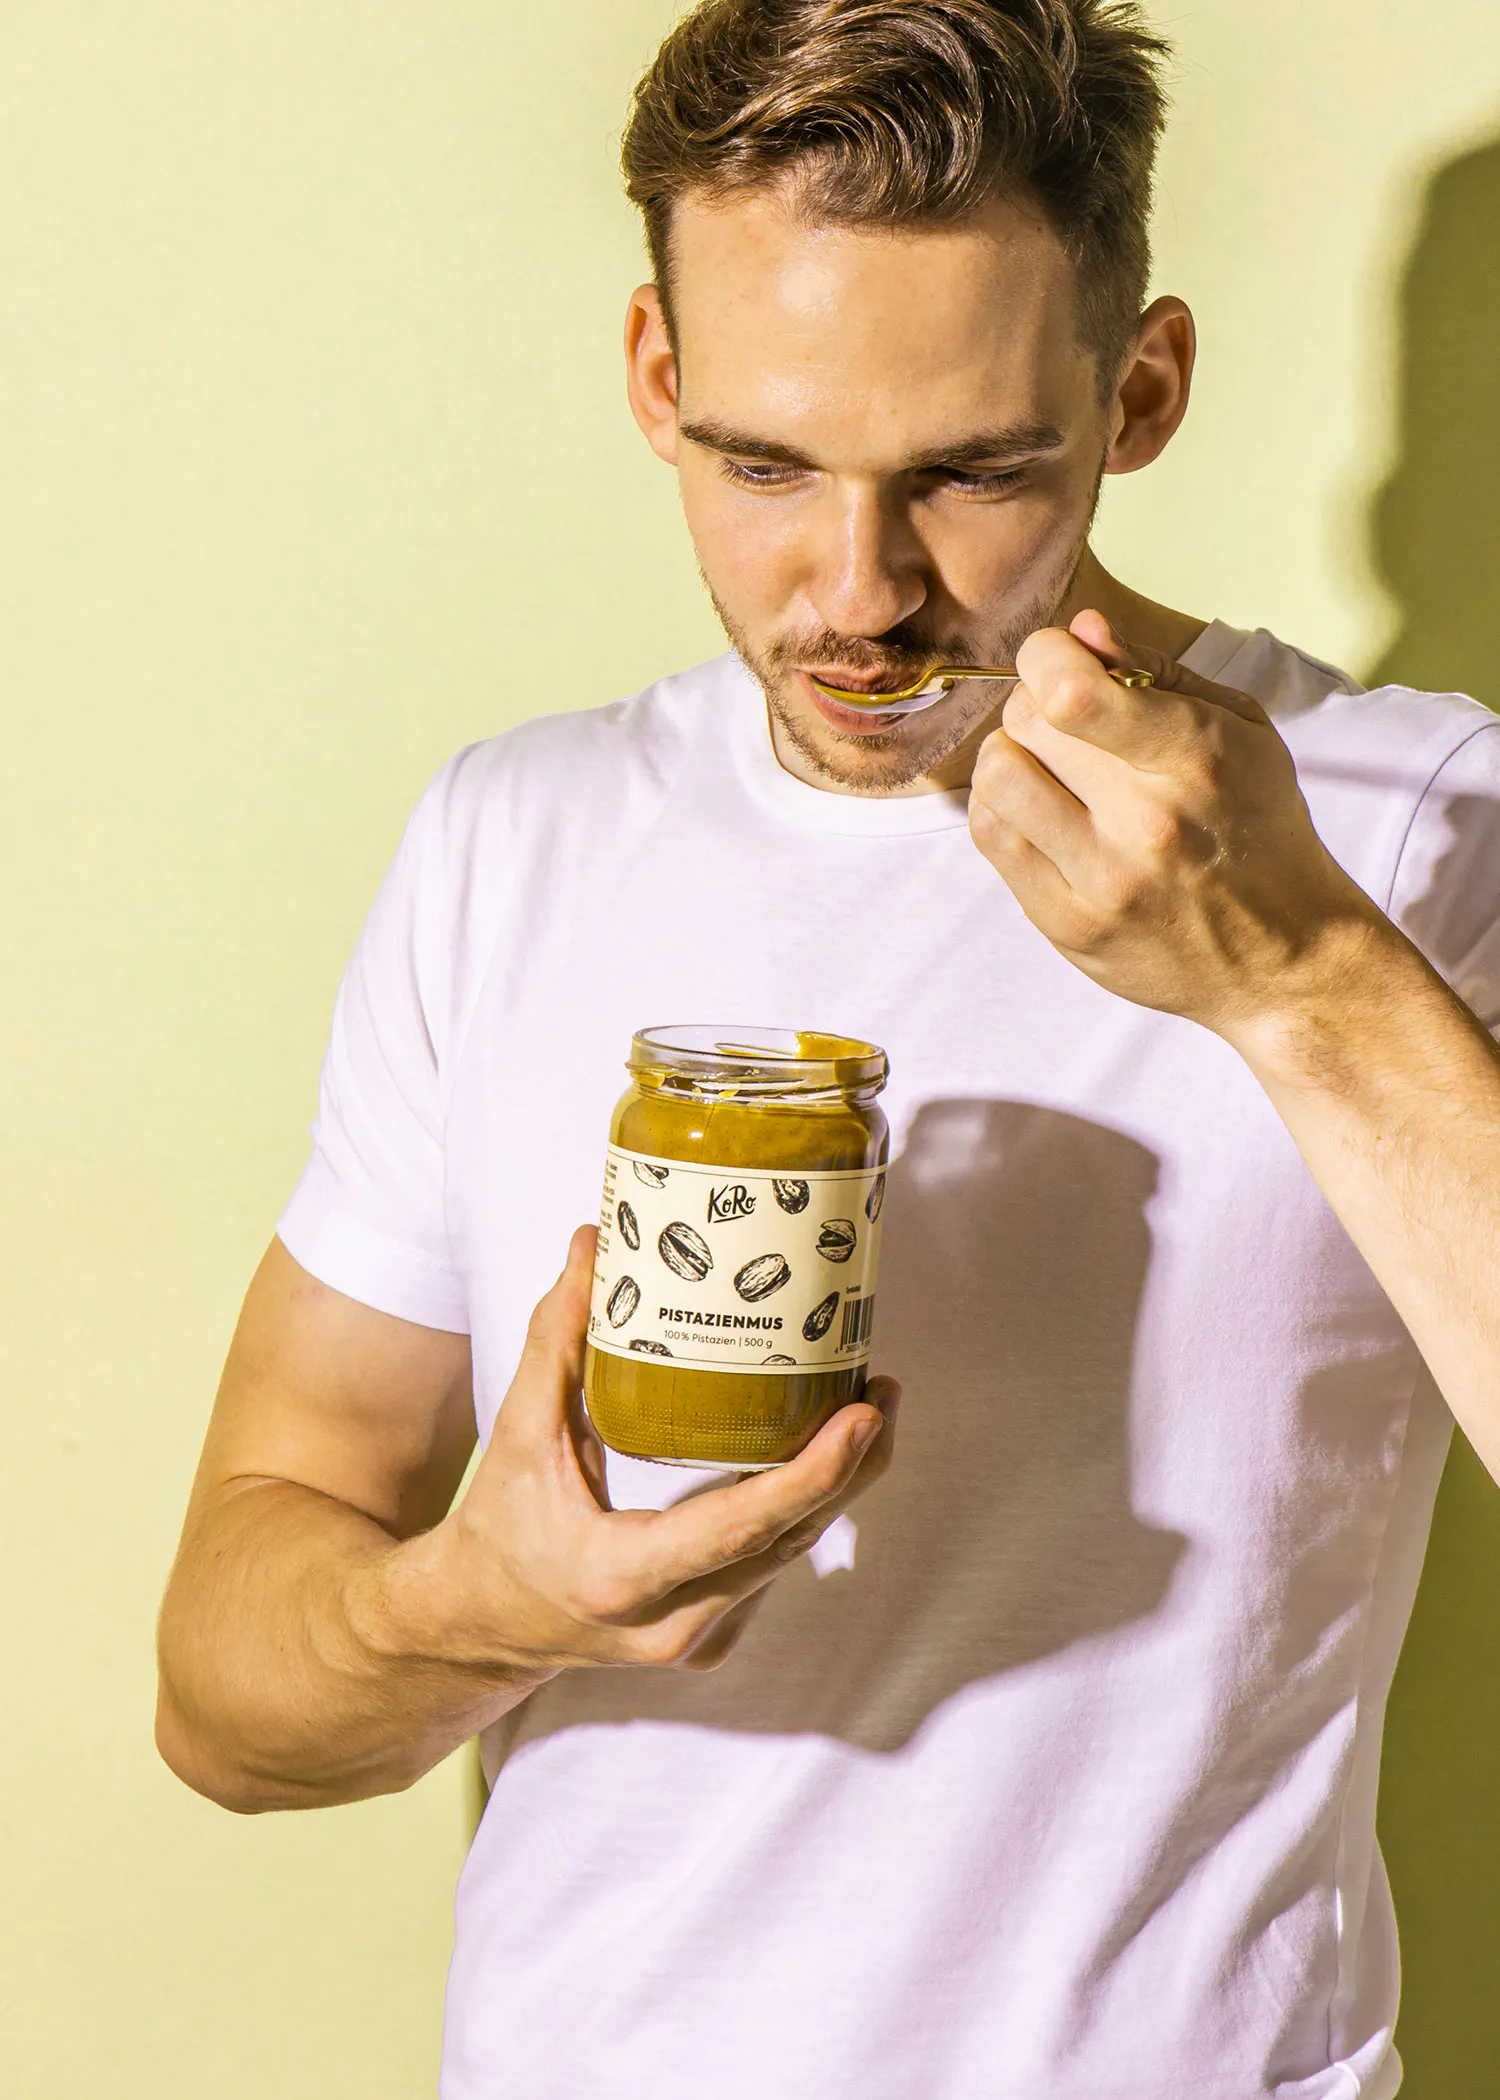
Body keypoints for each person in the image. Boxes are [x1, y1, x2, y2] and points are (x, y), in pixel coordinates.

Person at [155, 3, 1500, 2095]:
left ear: (1137, 391)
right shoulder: (510, 840)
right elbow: (219, 1698)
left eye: (971, 472)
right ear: (656, 380)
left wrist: (1298, 977)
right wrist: (491, 1604)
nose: (855, 595)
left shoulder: (1409, 826)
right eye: (763, 464)